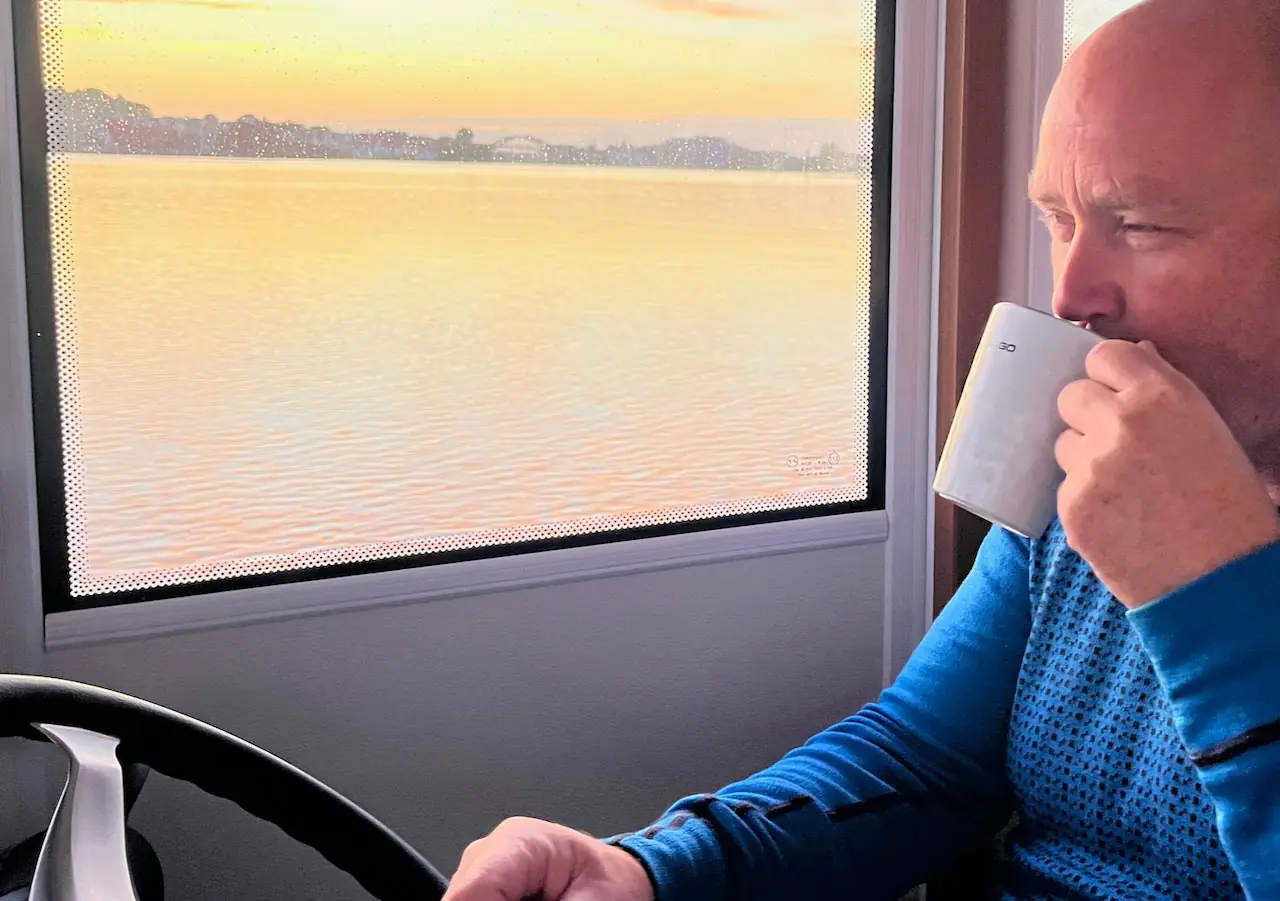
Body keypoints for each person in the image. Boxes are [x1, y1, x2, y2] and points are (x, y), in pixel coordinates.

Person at [442, 0, 1280, 897]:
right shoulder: (1082, 480)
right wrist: (651, 869)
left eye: (1142, 225)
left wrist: (1214, 591)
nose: (1071, 293)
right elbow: (919, 761)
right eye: (1058, 220)